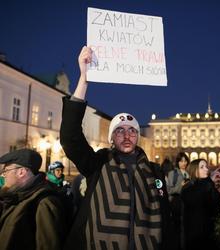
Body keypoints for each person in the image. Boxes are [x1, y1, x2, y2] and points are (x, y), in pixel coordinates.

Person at [60, 46, 171, 250]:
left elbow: (165, 219)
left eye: (132, 131)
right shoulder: (98, 164)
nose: (127, 135)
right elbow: (70, 137)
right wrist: (84, 79)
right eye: (120, 131)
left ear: (137, 136)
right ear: (111, 138)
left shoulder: (155, 171)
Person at [0, 148, 67, 250]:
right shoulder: (17, 196)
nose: (3, 175)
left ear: (21, 172)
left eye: (6, 171)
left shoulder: (44, 202)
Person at [181, 158, 220, 250]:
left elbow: (218, 205)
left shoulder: (208, 184)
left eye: (206, 166)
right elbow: (197, 199)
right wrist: (210, 182)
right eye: (202, 167)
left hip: (210, 231)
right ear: (194, 170)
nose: (206, 169)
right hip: (195, 234)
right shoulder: (187, 188)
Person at [166, 152, 190, 250]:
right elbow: (170, 190)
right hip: (177, 202)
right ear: (177, 162)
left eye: (185, 161)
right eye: (181, 161)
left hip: (187, 202)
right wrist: (182, 185)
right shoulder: (173, 174)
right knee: (177, 226)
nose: (183, 163)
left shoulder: (189, 173)